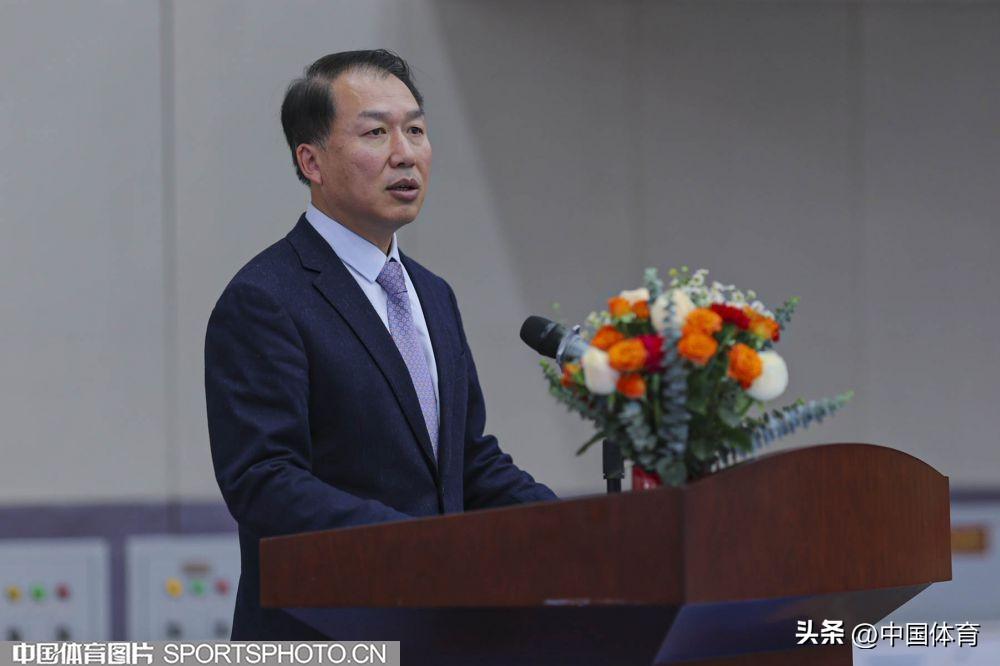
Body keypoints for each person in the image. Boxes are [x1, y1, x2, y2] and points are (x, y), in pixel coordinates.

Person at [205, 49, 557, 639]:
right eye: (376, 132)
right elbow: (265, 481)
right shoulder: (265, 299)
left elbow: (465, 462)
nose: (405, 153)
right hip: (324, 633)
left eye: (415, 130)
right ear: (312, 161)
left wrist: (574, 528)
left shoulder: (432, 294)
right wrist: (419, 546)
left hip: (438, 630)